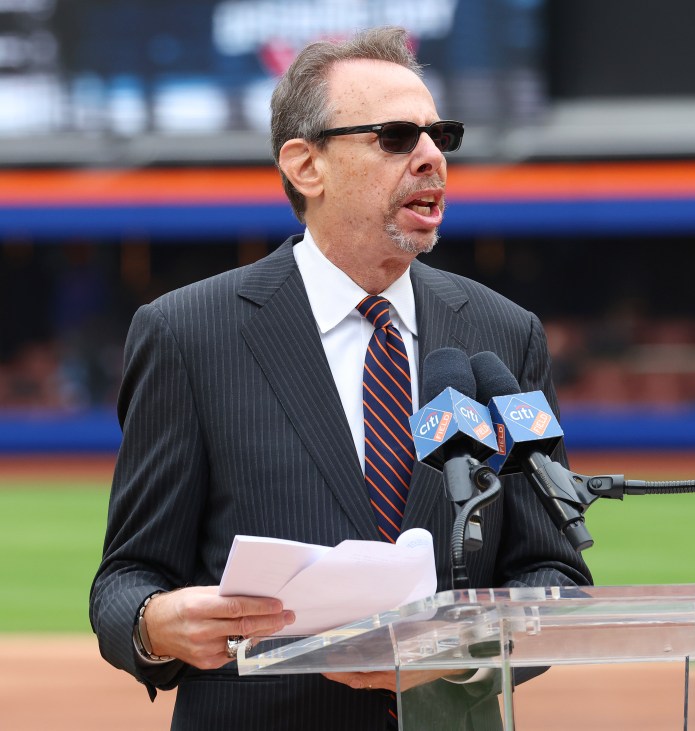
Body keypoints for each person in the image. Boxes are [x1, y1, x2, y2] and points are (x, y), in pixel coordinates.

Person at [90, 26, 592, 730]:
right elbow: (125, 581)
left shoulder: (502, 333)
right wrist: (153, 622)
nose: (430, 156)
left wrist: (450, 652)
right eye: (395, 136)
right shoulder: (187, 334)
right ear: (306, 165)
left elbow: (556, 576)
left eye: (439, 135)